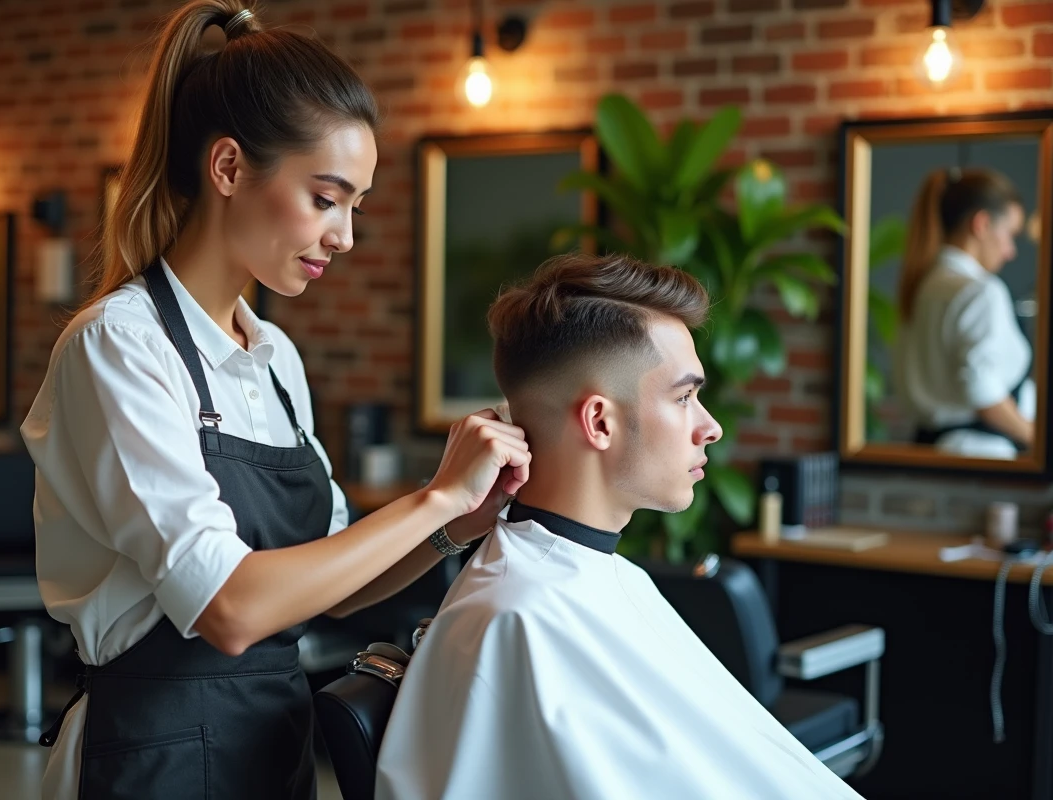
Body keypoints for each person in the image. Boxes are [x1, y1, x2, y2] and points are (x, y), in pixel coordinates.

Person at [19, 3, 531, 798]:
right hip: (154, 754)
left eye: (355, 206)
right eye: (326, 199)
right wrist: (433, 498)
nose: (345, 236)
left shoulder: (275, 359)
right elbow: (228, 606)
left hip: (273, 744)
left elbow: (332, 580)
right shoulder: (118, 345)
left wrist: (452, 527)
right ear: (228, 168)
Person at [375, 253, 864, 800]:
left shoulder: (592, 581)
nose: (711, 427)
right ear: (600, 422)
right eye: (684, 397)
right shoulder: (516, 619)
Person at [893, 166, 1031, 459]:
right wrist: (1035, 438)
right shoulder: (981, 291)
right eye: (1010, 234)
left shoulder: (922, 285)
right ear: (981, 224)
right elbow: (982, 391)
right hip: (980, 454)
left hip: (927, 451)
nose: (1010, 251)